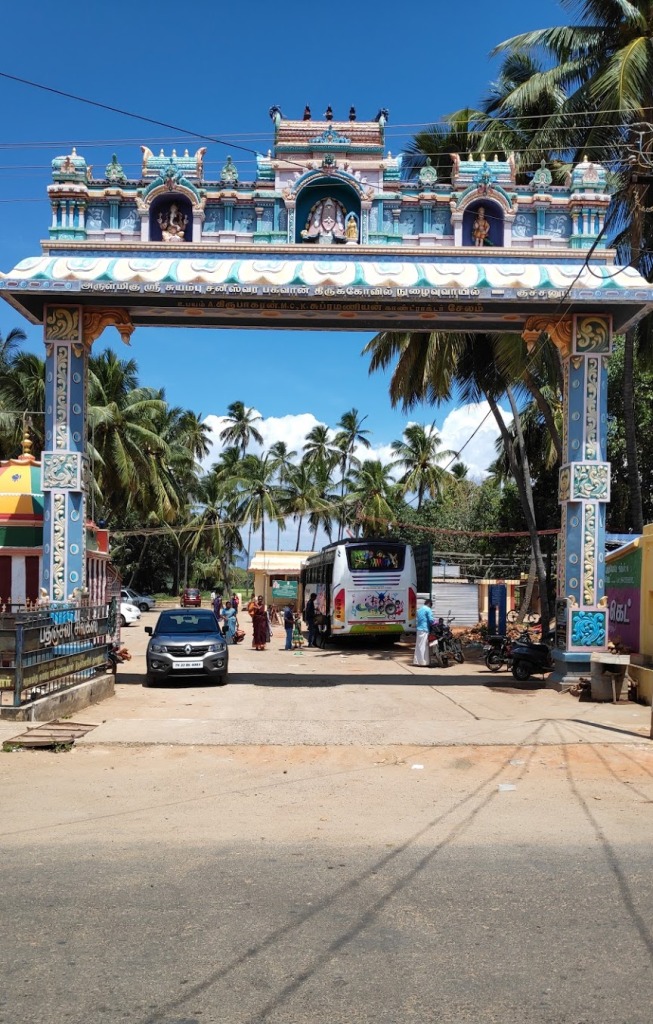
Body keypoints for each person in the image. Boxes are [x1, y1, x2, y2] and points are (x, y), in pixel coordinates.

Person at [413, 598, 435, 666]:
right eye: (431, 606)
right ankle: (423, 662)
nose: (430, 607)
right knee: (424, 646)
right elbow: (431, 620)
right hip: (425, 629)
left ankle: (417, 661)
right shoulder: (428, 609)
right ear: (429, 604)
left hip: (419, 629)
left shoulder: (419, 610)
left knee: (418, 646)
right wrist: (435, 622)